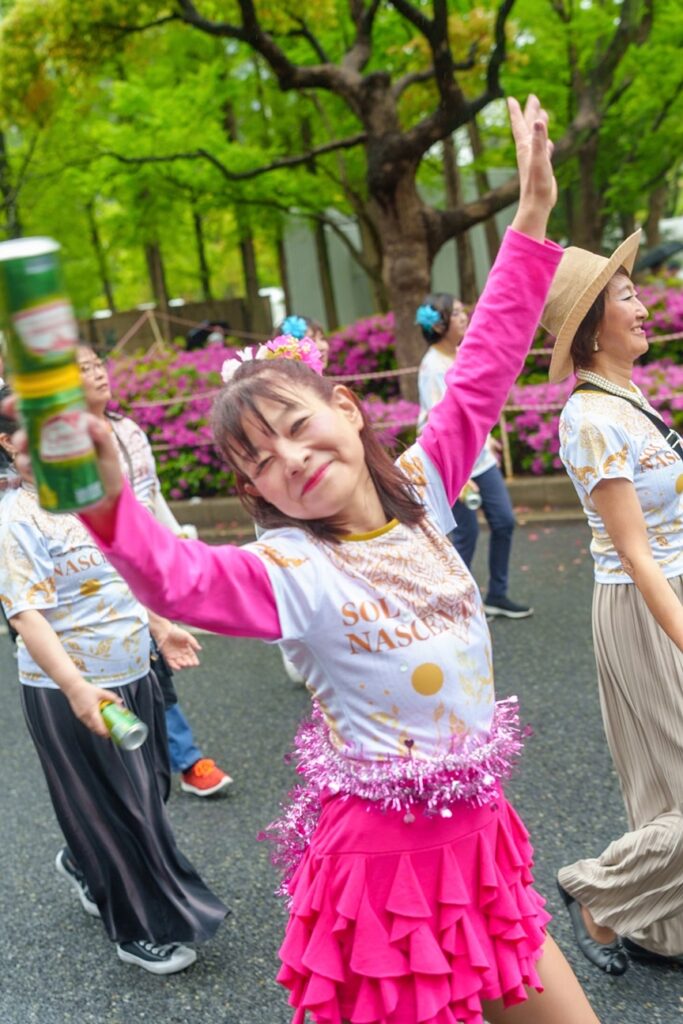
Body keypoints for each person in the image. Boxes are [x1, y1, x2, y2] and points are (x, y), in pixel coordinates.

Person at [12, 96, 601, 1023]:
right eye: (257, 461)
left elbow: (484, 368)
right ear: (256, 490)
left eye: (295, 425)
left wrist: (528, 217)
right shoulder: (288, 571)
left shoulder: (423, 487)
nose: (287, 459)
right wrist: (101, 494)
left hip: (483, 838)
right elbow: (175, 580)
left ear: (346, 407)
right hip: (383, 869)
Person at [0, 394, 227, 975]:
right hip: (72, 690)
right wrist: (76, 689)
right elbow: (25, 615)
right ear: (7, 442)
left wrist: (160, 627)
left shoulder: (94, 497)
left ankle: (84, 860)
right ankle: (138, 929)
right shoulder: (16, 519)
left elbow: (125, 573)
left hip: (134, 670)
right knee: (125, 811)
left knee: (150, 790)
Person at [543, 228, 683, 974]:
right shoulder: (591, 418)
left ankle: (661, 930)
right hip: (642, 605)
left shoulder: (627, 398)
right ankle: (594, 893)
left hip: (668, 591)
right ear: (593, 326)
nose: (643, 306)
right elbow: (634, 551)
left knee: (667, 783)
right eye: (626, 296)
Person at [76, 344, 233, 797]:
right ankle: (183, 760)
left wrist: (176, 537)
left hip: (144, 557)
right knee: (138, 666)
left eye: (98, 365)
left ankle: (161, 762)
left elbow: (152, 492)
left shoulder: (129, 429)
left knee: (148, 665)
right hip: (100, 565)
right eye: (84, 369)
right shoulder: (68, 446)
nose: (98, 374)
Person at [417, 294, 532, 619]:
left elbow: (471, 410)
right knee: (465, 535)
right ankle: (453, 607)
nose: (463, 316)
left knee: (504, 521)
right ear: (438, 326)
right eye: (455, 313)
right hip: (455, 466)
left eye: (461, 310)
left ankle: (496, 594)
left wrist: (488, 439)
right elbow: (440, 423)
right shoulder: (431, 368)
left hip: (480, 460)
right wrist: (462, 477)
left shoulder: (460, 354)